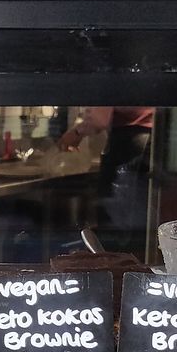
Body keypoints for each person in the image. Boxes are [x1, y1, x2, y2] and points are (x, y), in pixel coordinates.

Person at [58, 106, 155, 252]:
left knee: (117, 225)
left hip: (128, 143)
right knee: (134, 224)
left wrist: (77, 132)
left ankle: (115, 264)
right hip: (145, 141)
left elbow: (100, 118)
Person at [57, 106, 154, 184]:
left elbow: (100, 119)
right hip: (149, 137)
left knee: (118, 197)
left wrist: (77, 132)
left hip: (129, 141)